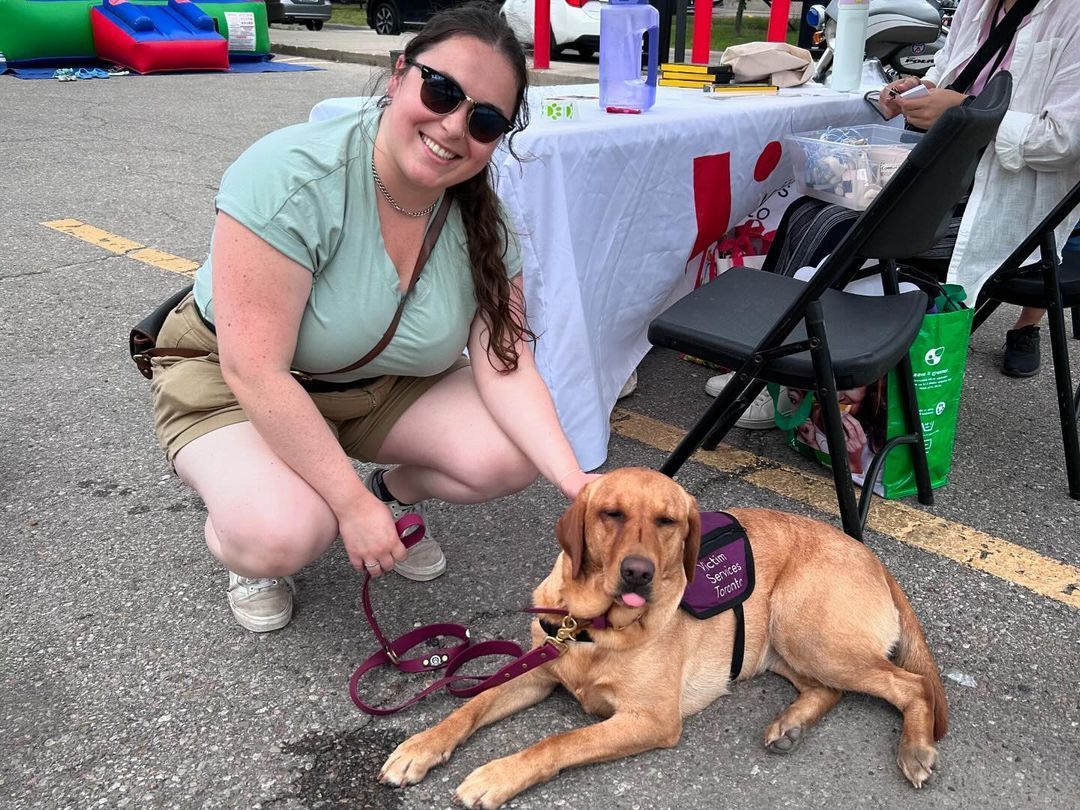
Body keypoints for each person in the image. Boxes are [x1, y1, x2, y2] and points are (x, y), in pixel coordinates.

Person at [146, 4, 597, 633]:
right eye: (441, 90)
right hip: (238, 384)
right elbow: (254, 369)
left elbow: (508, 366)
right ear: (397, 76)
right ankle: (251, 541)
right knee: (287, 531)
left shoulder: (484, 221)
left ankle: (392, 495)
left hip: (371, 387)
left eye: (485, 119)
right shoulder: (290, 175)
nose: (453, 125)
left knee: (511, 454)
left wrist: (579, 484)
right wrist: (346, 503)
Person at [746, 0, 1080, 382]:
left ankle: (773, 368)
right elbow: (946, 75)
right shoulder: (976, 6)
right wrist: (920, 92)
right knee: (805, 210)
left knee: (837, 228)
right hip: (947, 176)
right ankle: (766, 350)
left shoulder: (1072, 16)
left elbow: (1061, 141)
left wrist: (963, 109)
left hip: (1010, 202)